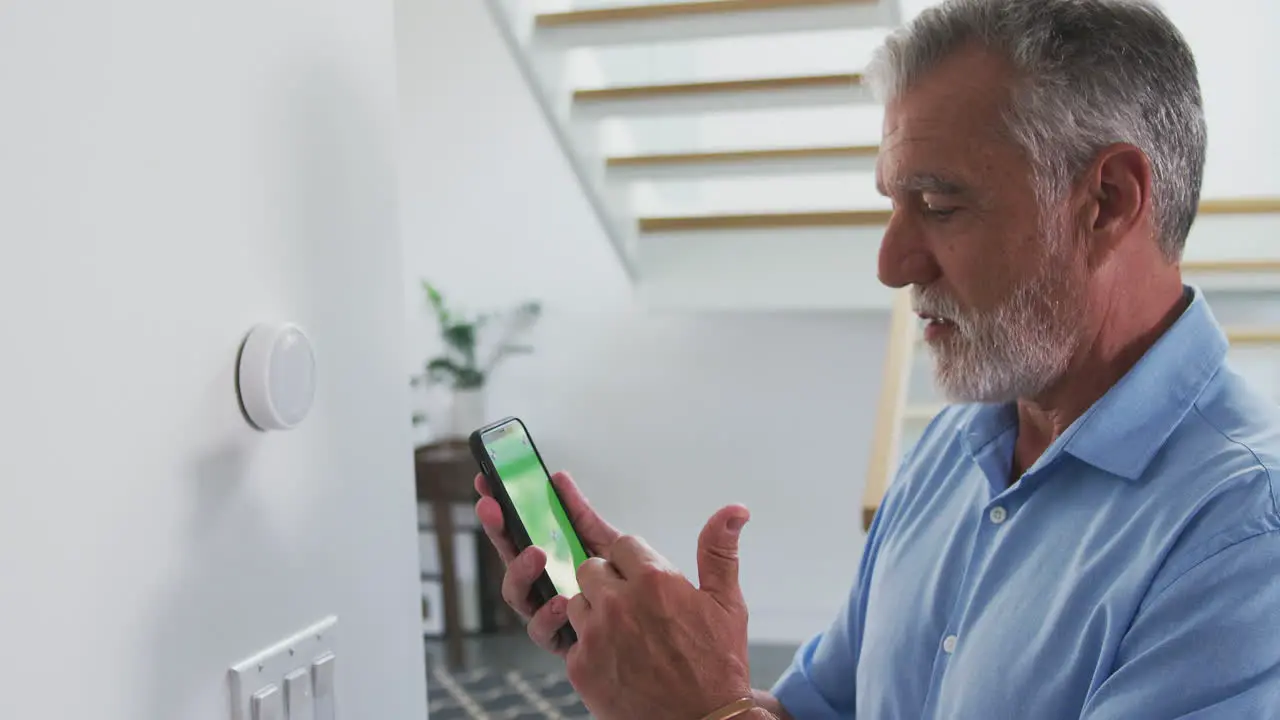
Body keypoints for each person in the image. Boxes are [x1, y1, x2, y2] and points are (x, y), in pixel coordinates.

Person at [475, 0, 1280, 717]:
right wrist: (658, 667)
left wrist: (706, 711)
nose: (892, 264)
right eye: (893, 203)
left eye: (938, 204)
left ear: (1107, 201)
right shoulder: (953, 447)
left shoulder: (1245, 536)